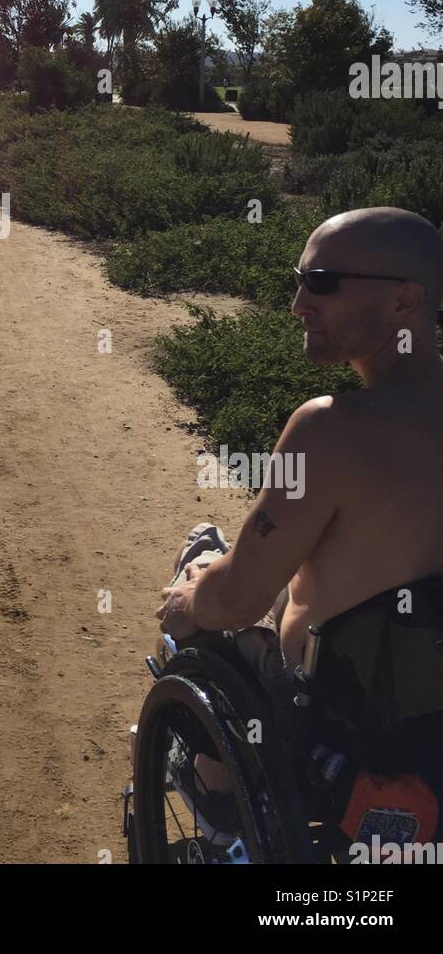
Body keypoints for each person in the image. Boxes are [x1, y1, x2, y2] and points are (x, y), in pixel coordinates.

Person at [159, 205, 443, 683]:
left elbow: (235, 603)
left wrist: (189, 599)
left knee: (200, 565)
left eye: (324, 282)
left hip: (336, 715)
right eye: (301, 278)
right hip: (424, 709)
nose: (299, 304)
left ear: (403, 301)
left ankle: (203, 760)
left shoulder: (329, 429)